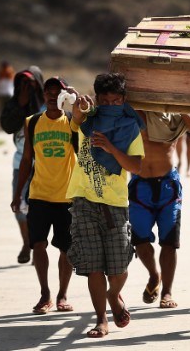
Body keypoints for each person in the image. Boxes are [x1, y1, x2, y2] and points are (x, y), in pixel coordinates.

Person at [66, 72, 144, 338]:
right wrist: (78, 111)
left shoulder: (130, 128)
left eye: (116, 100)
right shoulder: (88, 120)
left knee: (119, 265)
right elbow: (75, 121)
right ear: (97, 99)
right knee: (94, 265)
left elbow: (136, 166)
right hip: (83, 200)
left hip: (115, 203)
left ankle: (114, 295)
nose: (110, 105)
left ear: (123, 100)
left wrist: (111, 148)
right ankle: (101, 320)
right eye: (105, 100)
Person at [10, 76, 77, 315]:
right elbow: (27, 160)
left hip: (67, 197)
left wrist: (76, 101)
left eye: (57, 92)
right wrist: (17, 194)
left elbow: (85, 147)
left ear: (63, 96)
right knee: (38, 244)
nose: (51, 95)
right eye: (48, 91)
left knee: (66, 249)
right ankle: (45, 294)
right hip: (39, 194)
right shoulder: (32, 122)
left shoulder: (72, 121)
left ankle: (63, 295)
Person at [129, 111, 190, 309]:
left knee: (169, 242)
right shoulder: (131, 110)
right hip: (139, 185)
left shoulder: (173, 114)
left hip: (168, 186)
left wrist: (185, 109)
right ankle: (154, 274)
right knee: (139, 240)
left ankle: (167, 291)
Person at [0, 66, 45, 264]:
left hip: (45, 166)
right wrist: (20, 105)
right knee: (19, 205)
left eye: (30, 83)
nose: (26, 87)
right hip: (21, 163)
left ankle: (37, 246)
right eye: (22, 83)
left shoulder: (48, 104)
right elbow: (7, 127)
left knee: (39, 209)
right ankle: (27, 243)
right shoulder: (13, 104)